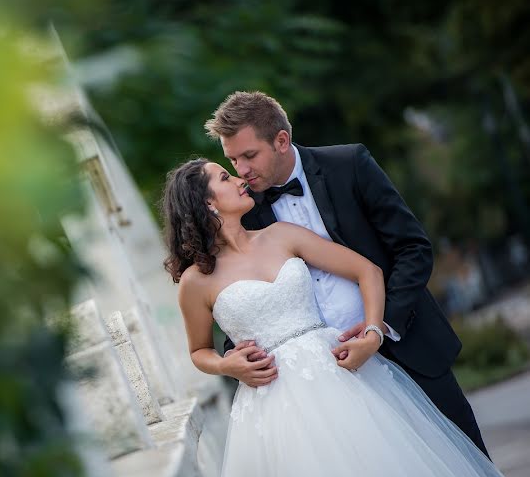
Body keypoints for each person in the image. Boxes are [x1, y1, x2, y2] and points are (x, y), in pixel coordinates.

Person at [161, 157, 530, 477]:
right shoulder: (195, 282)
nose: (239, 177)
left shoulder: (281, 235)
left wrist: (373, 332)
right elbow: (198, 352)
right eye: (225, 178)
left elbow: (366, 271)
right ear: (207, 204)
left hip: (342, 376)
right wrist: (229, 365)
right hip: (276, 411)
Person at [202, 91, 489, 457]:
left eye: (249, 156)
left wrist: (380, 328)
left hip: (405, 348)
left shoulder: (348, 164)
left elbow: (412, 249)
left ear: (281, 140)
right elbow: (241, 295)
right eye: (232, 160)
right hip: (328, 386)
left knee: (472, 468)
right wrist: (236, 357)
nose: (241, 171)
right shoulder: (243, 208)